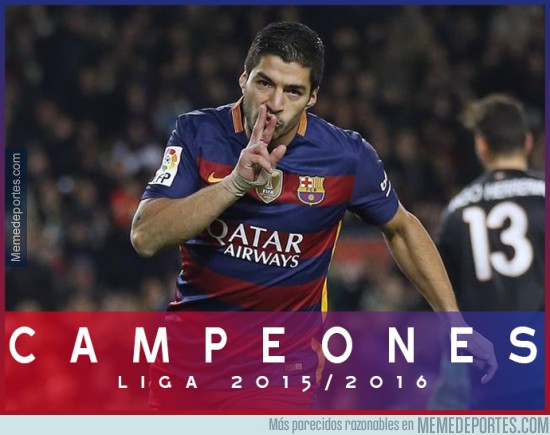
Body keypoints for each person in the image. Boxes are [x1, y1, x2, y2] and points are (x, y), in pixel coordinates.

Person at [130, 22, 496, 409]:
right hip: (185, 368)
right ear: (243, 78)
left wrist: (454, 321)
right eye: (265, 83)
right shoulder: (197, 133)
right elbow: (145, 236)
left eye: (293, 91)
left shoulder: (345, 157)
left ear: (312, 96)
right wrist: (234, 184)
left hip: (279, 374)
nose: (275, 102)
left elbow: (402, 228)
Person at [430, 94, 544, 409]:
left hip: (486, 378)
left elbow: (445, 301)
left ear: (481, 146)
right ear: (527, 142)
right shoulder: (543, 197)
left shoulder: (456, 212)